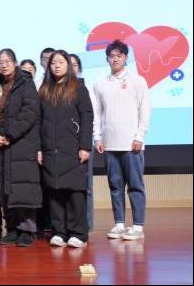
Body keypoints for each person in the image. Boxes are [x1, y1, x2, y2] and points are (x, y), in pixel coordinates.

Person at [93, 39, 150, 241]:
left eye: (119, 55)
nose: (115, 59)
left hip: (131, 144)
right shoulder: (100, 84)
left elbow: (144, 110)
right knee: (115, 186)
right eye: (111, 56)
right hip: (109, 144)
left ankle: (138, 226)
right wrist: (97, 137)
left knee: (135, 185)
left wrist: (139, 136)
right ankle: (119, 224)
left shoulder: (138, 81)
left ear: (126, 58)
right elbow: (97, 114)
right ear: (107, 59)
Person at [38, 50, 93, 248]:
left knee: (74, 191)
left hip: (72, 147)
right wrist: (39, 148)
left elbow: (87, 117)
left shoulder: (78, 87)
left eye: (61, 62)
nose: (57, 66)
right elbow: (38, 120)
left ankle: (78, 233)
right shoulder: (45, 89)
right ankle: (59, 231)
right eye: (53, 63)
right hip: (49, 148)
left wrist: (85, 146)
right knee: (54, 191)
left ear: (68, 65)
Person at [0, 49, 42, 248]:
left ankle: (27, 231)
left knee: (24, 187)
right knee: (6, 189)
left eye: (7, 61)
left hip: (22, 143)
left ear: (15, 63)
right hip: (1, 144)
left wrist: (10, 135)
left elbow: (30, 112)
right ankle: (12, 228)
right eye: (1, 62)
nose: (4, 65)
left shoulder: (26, 83)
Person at [70, 53, 94, 233]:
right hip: (65, 145)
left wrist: (87, 144)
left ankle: (87, 224)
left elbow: (90, 116)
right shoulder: (55, 87)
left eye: (75, 65)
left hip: (84, 141)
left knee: (86, 187)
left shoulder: (85, 87)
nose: (72, 68)